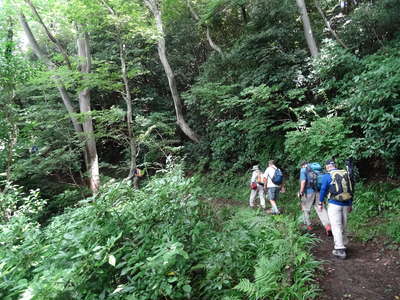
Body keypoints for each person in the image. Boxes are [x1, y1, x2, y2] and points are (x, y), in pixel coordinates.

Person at [319, 160, 353, 259]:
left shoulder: (327, 176)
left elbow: (323, 189)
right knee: (343, 224)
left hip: (334, 204)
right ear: (335, 166)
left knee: (336, 226)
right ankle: (344, 243)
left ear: (327, 167)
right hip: (346, 203)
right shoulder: (344, 174)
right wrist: (350, 204)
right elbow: (350, 189)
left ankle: (340, 249)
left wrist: (320, 202)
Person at [299, 161, 332, 235]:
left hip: (308, 192)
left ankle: (308, 226)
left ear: (303, 165)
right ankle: (328, 226)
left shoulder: (303, 170)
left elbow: (303, 181)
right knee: (321, 208)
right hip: (319, 192)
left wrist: (301, 192)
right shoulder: (318, 170)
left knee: (305, 209)